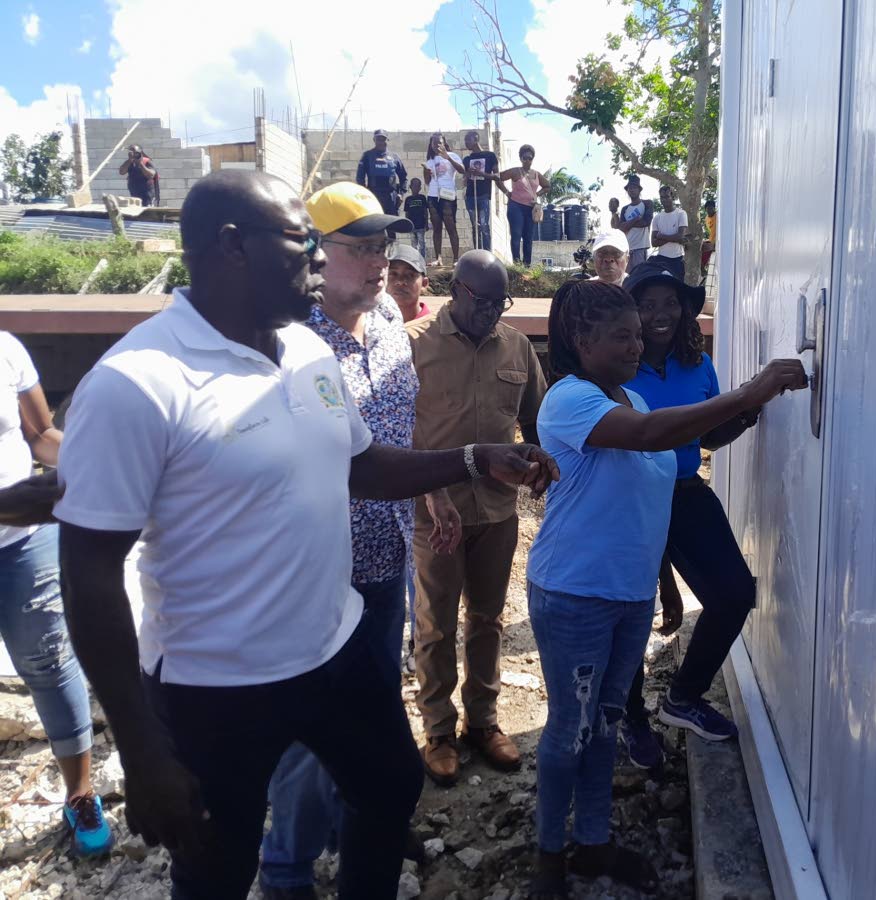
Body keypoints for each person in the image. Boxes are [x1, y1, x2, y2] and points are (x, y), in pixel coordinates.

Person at [53, 169, 558, 900]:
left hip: (337, 650)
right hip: (217, 688)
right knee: (216, 866)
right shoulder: (137, 382)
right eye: (301, 244)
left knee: (388, 789)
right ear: (232, 248)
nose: (318, 261)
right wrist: (143, 751)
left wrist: (476, 459)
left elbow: (361, 466)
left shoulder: (306, 351)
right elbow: (90, 574)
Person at [525, 280, 806, 899]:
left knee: (603, 723)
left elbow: (651, 496)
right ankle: (548, 856)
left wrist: (665, 591)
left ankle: (593, 843)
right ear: (581, 340)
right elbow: (652, 440)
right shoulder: (569, 400)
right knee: (569, 726)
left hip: (627, 596)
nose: (636, 342)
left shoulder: (630, 396)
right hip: (575, 592)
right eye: (620, 335)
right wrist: (750, 389)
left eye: (636, 333)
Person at [258, 182, 440, 898]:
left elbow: (393, 429)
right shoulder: (284, 340)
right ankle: (287, 867)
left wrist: (427, 495)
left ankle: (362, 824)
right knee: (307, 731)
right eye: (360, 248)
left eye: (381, 247)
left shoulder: (391, 315)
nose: (376, 262)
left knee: (373, 704)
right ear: (315, 252)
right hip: (315, 571)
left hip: (387, 552)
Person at [407, 250, 547, 786]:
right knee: (435, 626)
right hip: (435, 512)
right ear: (457, 291)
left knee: (487, 620)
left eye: (500, 302)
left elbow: (538, 419)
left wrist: (538, 459)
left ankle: (483, 722)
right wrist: (431, 489)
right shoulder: (415, 344)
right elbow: (401, 429)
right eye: (483, 301)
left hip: (496, 510)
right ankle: (439, 729)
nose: (492, 311)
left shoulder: (515, 346)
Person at [619, 263, 761, 769]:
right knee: (632, 613)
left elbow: (703, 438)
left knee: (736, 593)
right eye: (647, 303)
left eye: (670, 302)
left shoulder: (697, 364)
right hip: (630, 500)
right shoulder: (618, 367)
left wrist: (741, 417)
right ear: (630, 311)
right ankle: (631, 718)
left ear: (684, 310)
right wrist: (664, 581)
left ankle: (683, 697)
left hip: (683, 490)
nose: (660, 314)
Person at [0, 333, 113, 858]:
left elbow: (41, 434)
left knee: (49, 660)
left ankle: (81, 794)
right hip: (12, 513)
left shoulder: (6, 349)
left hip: (23, 540)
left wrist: (102, 463)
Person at [496, 144, 550, 267]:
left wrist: (538, 194)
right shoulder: (515, 171)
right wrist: (506, 192)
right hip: (516, 207)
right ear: (520, 158)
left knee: (528, 238)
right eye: (525, 157)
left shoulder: (537, 174)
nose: (527, 160)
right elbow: (498, 177)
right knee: (516, 236)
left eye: (530, 158)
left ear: (533, 159)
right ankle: (517, 264)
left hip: (530, 209)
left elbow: (547, 186)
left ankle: (527, 265)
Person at [424, 132, 465, 267]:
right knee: (436, 228)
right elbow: (427, 181)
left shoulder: (452, 156)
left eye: (439, 142)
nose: (437, 145)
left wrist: (448, 157)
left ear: (444, 143)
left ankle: (455, 259)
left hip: (448, 195)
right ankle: (438, 258)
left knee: (451, 226)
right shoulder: (430, 160)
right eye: (434, 143)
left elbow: (462, 170)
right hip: (433, 195)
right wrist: (426, 172)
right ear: (431, 145)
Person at [355, 129, 408, 216]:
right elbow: (360, 178)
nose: (381, 142)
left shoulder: (394, 157)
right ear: (374, 140)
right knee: (375, 226)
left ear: (387, 140)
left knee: (392, 226)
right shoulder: (367, 156)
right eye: (378, 139)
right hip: (373, 197)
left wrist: (401, 194)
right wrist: (365, 194)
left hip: (391, 198)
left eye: (383, 139)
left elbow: (403, 177)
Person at [463, 130, 499, 252]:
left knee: (484, 225)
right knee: (475, 226)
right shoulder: (467, 159)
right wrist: (467, 174)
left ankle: (487, 253)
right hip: (470, 195)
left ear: (476, 140)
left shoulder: (490, 156)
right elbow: (464, 178)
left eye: (468, 140)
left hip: (483, 195)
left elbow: (496, 176)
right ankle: (477, 252)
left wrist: (481, 174)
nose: (466, 143)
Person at [609, 175, 653, 268]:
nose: (631, 190)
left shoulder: (647, 203)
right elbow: (621, 228)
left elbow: (646, 222)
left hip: (640, 248)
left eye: (634, 187)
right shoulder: (625, 209)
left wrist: (627, 224)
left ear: (639, 189)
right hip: (626, 249)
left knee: (639, 278)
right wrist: (635, 219)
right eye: (629, 188)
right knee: (627, 278)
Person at [650, 185, 690, 280]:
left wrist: (661, 236)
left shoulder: (681, 214)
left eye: (667, 197)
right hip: (661, 259)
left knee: (678, 289)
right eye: (661, 197)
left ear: (673, 197)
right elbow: (654, 243)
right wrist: (674, 238)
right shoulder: (657, 218)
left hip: (677, 259)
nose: (664, 200)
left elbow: (680, 236)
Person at [387, 243, 432, 322]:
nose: (400, 281)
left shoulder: (435, 328)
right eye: (392, 274)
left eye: (410, 275)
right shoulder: (367, 326)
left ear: (424, 283)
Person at [404, 178, 430, 261]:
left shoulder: (422, 198)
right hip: (412, 226)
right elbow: (407, 213)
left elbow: (425, 211)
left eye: (417, 186)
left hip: (421, 225)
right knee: (413, 244)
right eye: (414, 186)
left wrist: (426, 223)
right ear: (410, 187)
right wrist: (407, 224)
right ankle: (414, 260)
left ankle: (422, 260)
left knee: (422, 244)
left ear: (420, 188)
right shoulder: (408, 199)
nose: (416, 188)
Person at [701, 198, 716, 278]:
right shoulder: (706, 219)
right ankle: (702, 267)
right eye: (708, 209)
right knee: (700, 245)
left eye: (711, 208)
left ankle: (702, 267)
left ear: (714, 208)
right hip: (711, 239)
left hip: (717, 242)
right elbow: (711, 232)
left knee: (708, 247)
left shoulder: (718, 215)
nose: (709, 210)